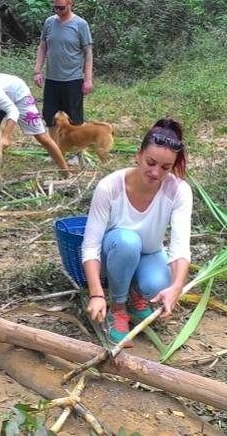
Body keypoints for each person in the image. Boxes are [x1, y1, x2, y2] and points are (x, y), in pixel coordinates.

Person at [81, 118, 192, 346]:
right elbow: (90, 246)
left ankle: (135, 292)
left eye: (165, 167)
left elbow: (180, 247)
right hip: (114, 250)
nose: (155, 172)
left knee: (159, 284)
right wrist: (96, 293)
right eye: (150, 162)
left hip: (149, 253)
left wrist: (176, 288)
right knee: (127, 242)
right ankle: (118, 307)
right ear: (138, 155)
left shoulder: (179, 191)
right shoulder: (110, 186)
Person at [33, 0, 93, 140]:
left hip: (72, 79)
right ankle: (56, 148)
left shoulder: (80, 24)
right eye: (56, 8)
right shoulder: (49, 22)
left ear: (70, 4)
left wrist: (88, 79)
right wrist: (37, 71)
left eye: (62, 8)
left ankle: (75, 150)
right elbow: (42, 47)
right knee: (50, 117)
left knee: (74, 118)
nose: (58, 11)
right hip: (53, 79)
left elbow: (88, 53)